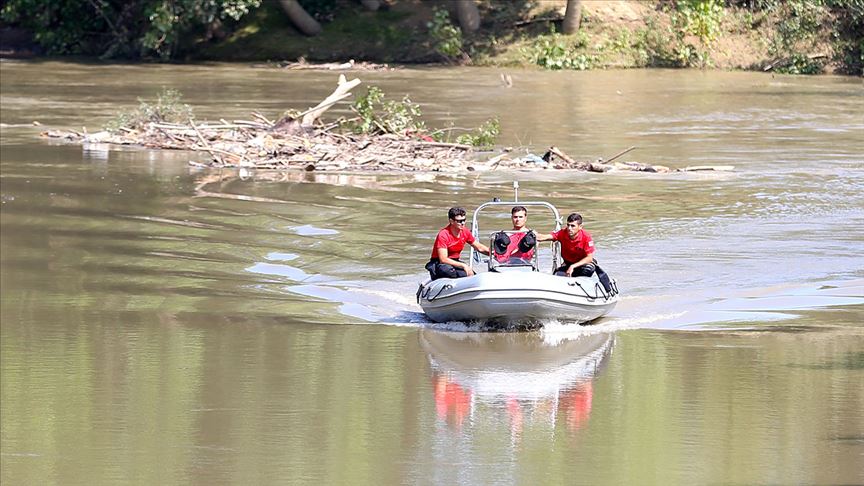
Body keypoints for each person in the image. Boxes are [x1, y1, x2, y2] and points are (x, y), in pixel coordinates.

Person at [425, 207, 490, 280]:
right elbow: (443, 259)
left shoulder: (465, 232)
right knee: (448, 271)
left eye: (464, 220)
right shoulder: (443, 235)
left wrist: (494, 253)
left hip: (455, 261)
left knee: (471, 275)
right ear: (451, 221)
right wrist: (464, 265)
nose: (462, 223)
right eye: (459, 221)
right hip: (440, 263)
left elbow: (479, 248)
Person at [536, 212, 597, 277]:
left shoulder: (586, 237)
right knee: (557, 274)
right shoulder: (562, 233)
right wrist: (534, 235)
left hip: (582, 264)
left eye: (572, 226)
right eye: (568, 225)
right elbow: (546, 237)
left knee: (588, 269)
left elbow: (589, 258)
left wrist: (573, 266)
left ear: (580, 227)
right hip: (568, 263)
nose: (569, 228)